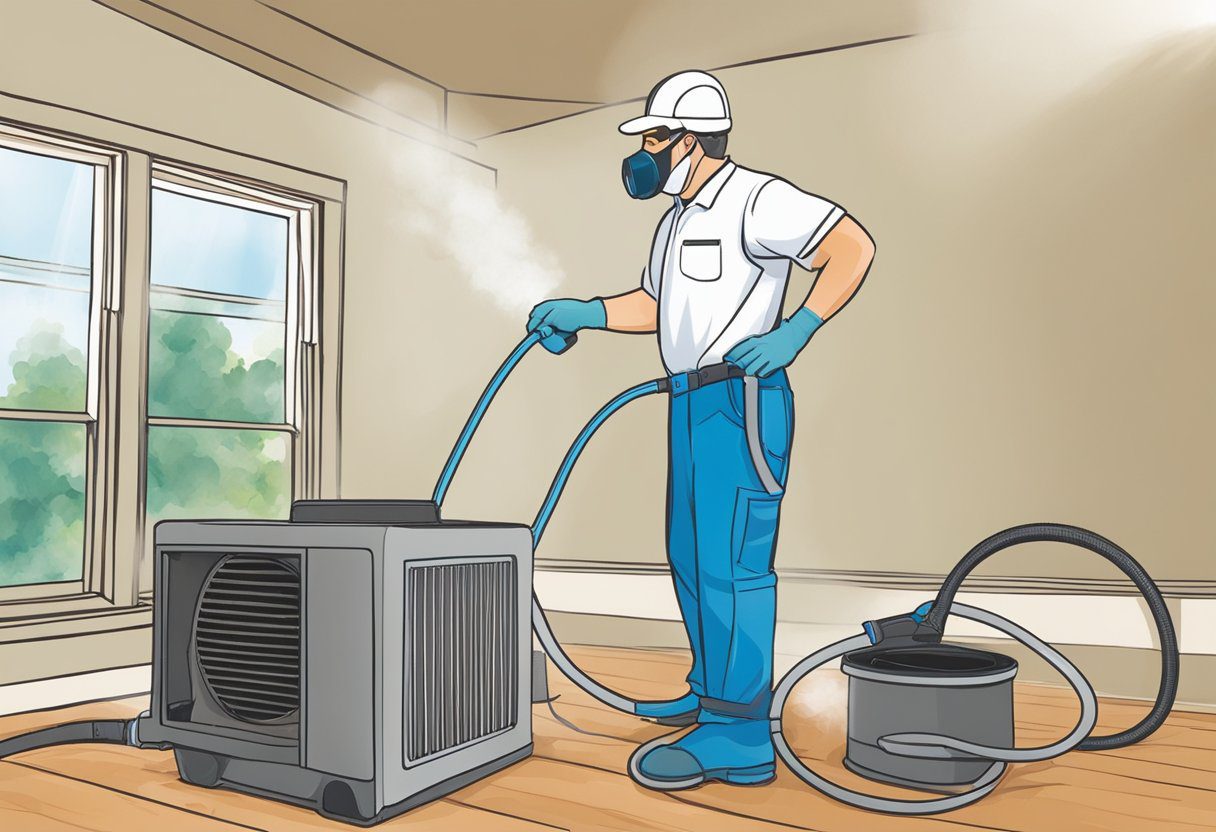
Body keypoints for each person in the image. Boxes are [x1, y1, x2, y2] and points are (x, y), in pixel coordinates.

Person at [526, 70, 875, 789]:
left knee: (733, 566)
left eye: (656, 137)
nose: (646, 153)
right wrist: (586, 311)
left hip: (741, 401)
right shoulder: (676, 218)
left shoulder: (756, 198)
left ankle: (740, 732)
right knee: (689, 557)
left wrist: (797, 330)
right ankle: (710, 686)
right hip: (689, 405)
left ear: (692, 139)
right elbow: (655, 303)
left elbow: (853, 247)